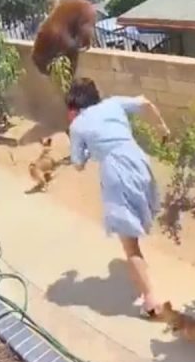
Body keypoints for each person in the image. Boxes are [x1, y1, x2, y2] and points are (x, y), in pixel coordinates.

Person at [66, 77, 170, 318]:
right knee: (139, 217)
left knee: (129, 245)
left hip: (116, 173)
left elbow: (78, 164)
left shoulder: (78, 125)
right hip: (139, 161)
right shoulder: (113, 104)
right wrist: (162, 127)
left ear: (73, 104)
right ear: (95, 94)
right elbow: (144, 102)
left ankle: (152, 302)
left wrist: (83, 146)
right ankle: (144, 275)